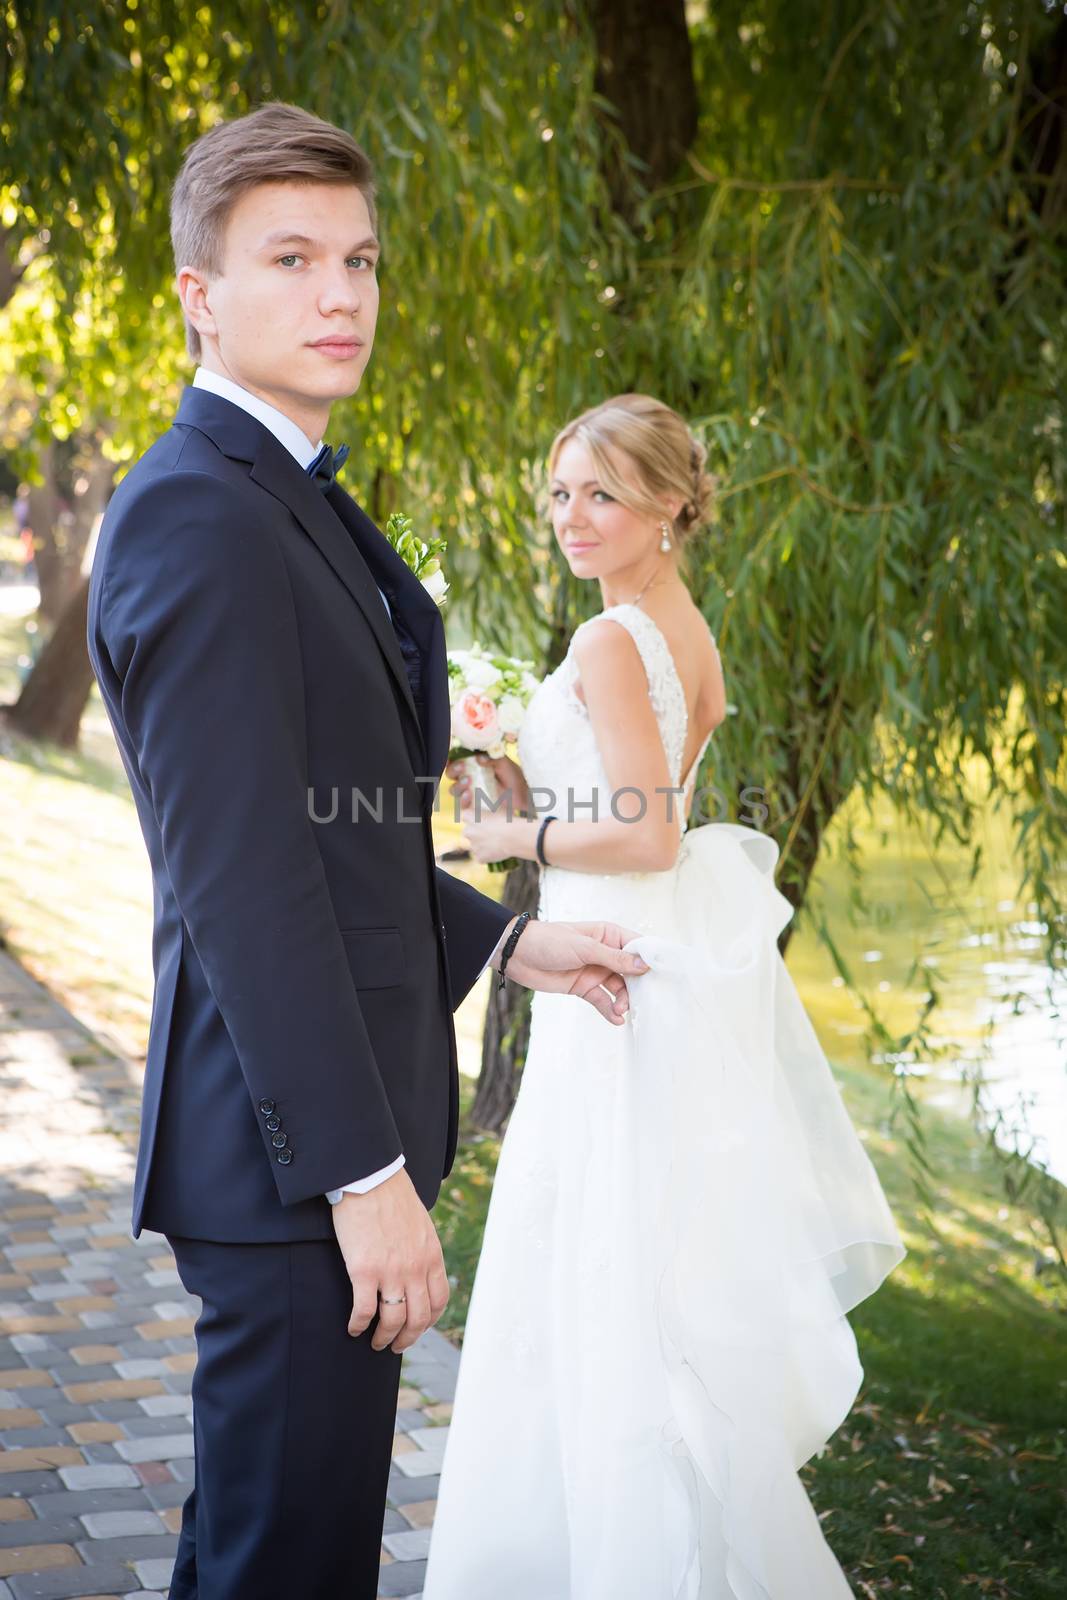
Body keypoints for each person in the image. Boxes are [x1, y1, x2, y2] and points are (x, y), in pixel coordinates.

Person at [85, 103, 651, 1600]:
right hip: (293, 1168)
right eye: (291, 258)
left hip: (307, 1153)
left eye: (361, 259)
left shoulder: (281, 495)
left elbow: (323, 825)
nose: (341, 294)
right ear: (200, 296)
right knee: (292, 1566)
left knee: (267, 1553)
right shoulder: (200, 517)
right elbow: (243, 881)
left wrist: (503, 939)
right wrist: (359, 1179)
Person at [424, 393, 907, 1599]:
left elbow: (645, 832)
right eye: (557, 493)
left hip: (611, 970)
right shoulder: (680, 627)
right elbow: (660, 794)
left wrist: (504, 830)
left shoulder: (604, 639)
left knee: (599, 1278)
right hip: (647, 966)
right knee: (639, 1283)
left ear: (671, 507)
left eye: (601, 493)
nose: (570, 518)